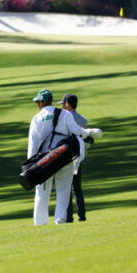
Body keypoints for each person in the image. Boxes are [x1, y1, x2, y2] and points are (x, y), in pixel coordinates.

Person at [28, 89, 100, 226]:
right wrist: (89, 132)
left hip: (44, 161)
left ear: (42, 102)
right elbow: (78, 131)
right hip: (63, 158)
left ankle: (40, 223)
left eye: (38, 101)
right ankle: (60, 221)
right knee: (63, 191)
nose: (38, 104)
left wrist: (32, 166)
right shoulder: (64, 114)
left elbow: (33, 145)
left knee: (42, 194)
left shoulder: (36, 118)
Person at [59, 93, 89, 222]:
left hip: (66, 157)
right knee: (77, 188)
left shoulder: (63, 119)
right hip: (79, 156)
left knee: (66, 187)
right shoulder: (83, 120)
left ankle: (69, 217)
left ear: (67, 104)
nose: (62, 106)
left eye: (63, 104)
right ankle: (82, 216)